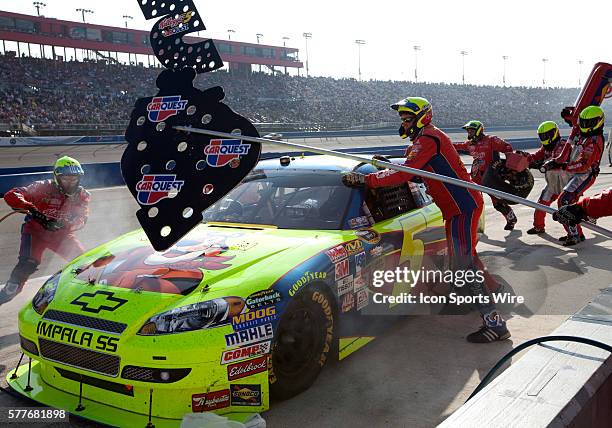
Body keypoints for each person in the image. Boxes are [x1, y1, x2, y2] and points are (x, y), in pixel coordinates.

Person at [343, 97, 510, 343]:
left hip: (462, 208)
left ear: (422, 117)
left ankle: (494, 323)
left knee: (463, 265)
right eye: (402, 119)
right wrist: (386, 167)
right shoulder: (427, 138)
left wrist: (368, 180)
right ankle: (493, 290)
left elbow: (405, 173)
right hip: (458, 208)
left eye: (408, 118)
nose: (404, 123)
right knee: (466, 257)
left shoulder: (428, 138)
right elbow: (419, 175)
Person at [0, 156, 90, 305]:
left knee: (86, 265)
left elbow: (82, 219)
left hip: (62, 237)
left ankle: (83, 298)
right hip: (35, 233)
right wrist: (34, 211)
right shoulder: (42, 187)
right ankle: (6, 294)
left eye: (74, 179)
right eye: (66, 179)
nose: (70, 183)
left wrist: (67, 222)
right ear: (56, 177)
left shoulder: (83, 195)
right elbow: (12, 195)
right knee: (26, 266)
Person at [454, 120, 517, 230]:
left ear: (479, 130)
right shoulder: (469, 144)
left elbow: (507, 147)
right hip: (477, 176)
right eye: (468, 131)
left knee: (497, 202)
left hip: (492, 176)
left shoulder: (491, 140)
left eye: (471, 130)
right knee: (472, 198)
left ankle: (511, 218)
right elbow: (457, 146)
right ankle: (474, 224)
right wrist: (444, 144)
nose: (469, 133)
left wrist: (508, 164)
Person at [555, 106, 605, 246]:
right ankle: (586, 218)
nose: (584, 126)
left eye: (588, 123)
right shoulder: (588, 133)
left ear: (598, 122)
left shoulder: (593, 142)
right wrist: (569, 115)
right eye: (583, 122)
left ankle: (576, 234)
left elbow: (583, 164)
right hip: (577, 172)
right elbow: (577, 122)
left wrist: (564, 166)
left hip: (586, 174)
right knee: (569, 202)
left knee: (564, 201)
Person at [522, 121, 571, 235]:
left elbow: (557, 160)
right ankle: (538, 227)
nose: (544, 138)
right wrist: (525, 156)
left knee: (568, 210)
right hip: (552, 184)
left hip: (567, 183)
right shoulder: (546, 147)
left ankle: (576, 230)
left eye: (547, 135)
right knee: (541, 204)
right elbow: (535, 156)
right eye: (542, 136)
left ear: (554, 133)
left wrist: (540, 163)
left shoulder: (563, 145)